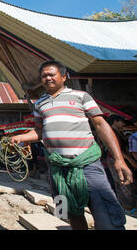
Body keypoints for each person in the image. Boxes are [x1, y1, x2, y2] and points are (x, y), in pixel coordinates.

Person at [10, 60, 133, 230]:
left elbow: (100, 124)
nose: (47, 78)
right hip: (58, 168)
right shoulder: (39, 104)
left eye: (51, 74)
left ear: (64, 76)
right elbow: (40, 131)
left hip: (87, 165)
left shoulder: (81, 96)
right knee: (70, 214)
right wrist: (19, 137)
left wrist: (119, 159)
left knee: (106, 216)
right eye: (44, 76)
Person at [106, 115, 137, 212]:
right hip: (116, 160)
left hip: (117, 159)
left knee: (120, 182)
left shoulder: (117, 132)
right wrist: (130, 160)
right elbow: (118, 150)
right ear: (115, 121)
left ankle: (125, 205)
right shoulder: (112, 133)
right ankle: (129, 206)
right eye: (121, 121)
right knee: (124, 181)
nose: (123, 123)